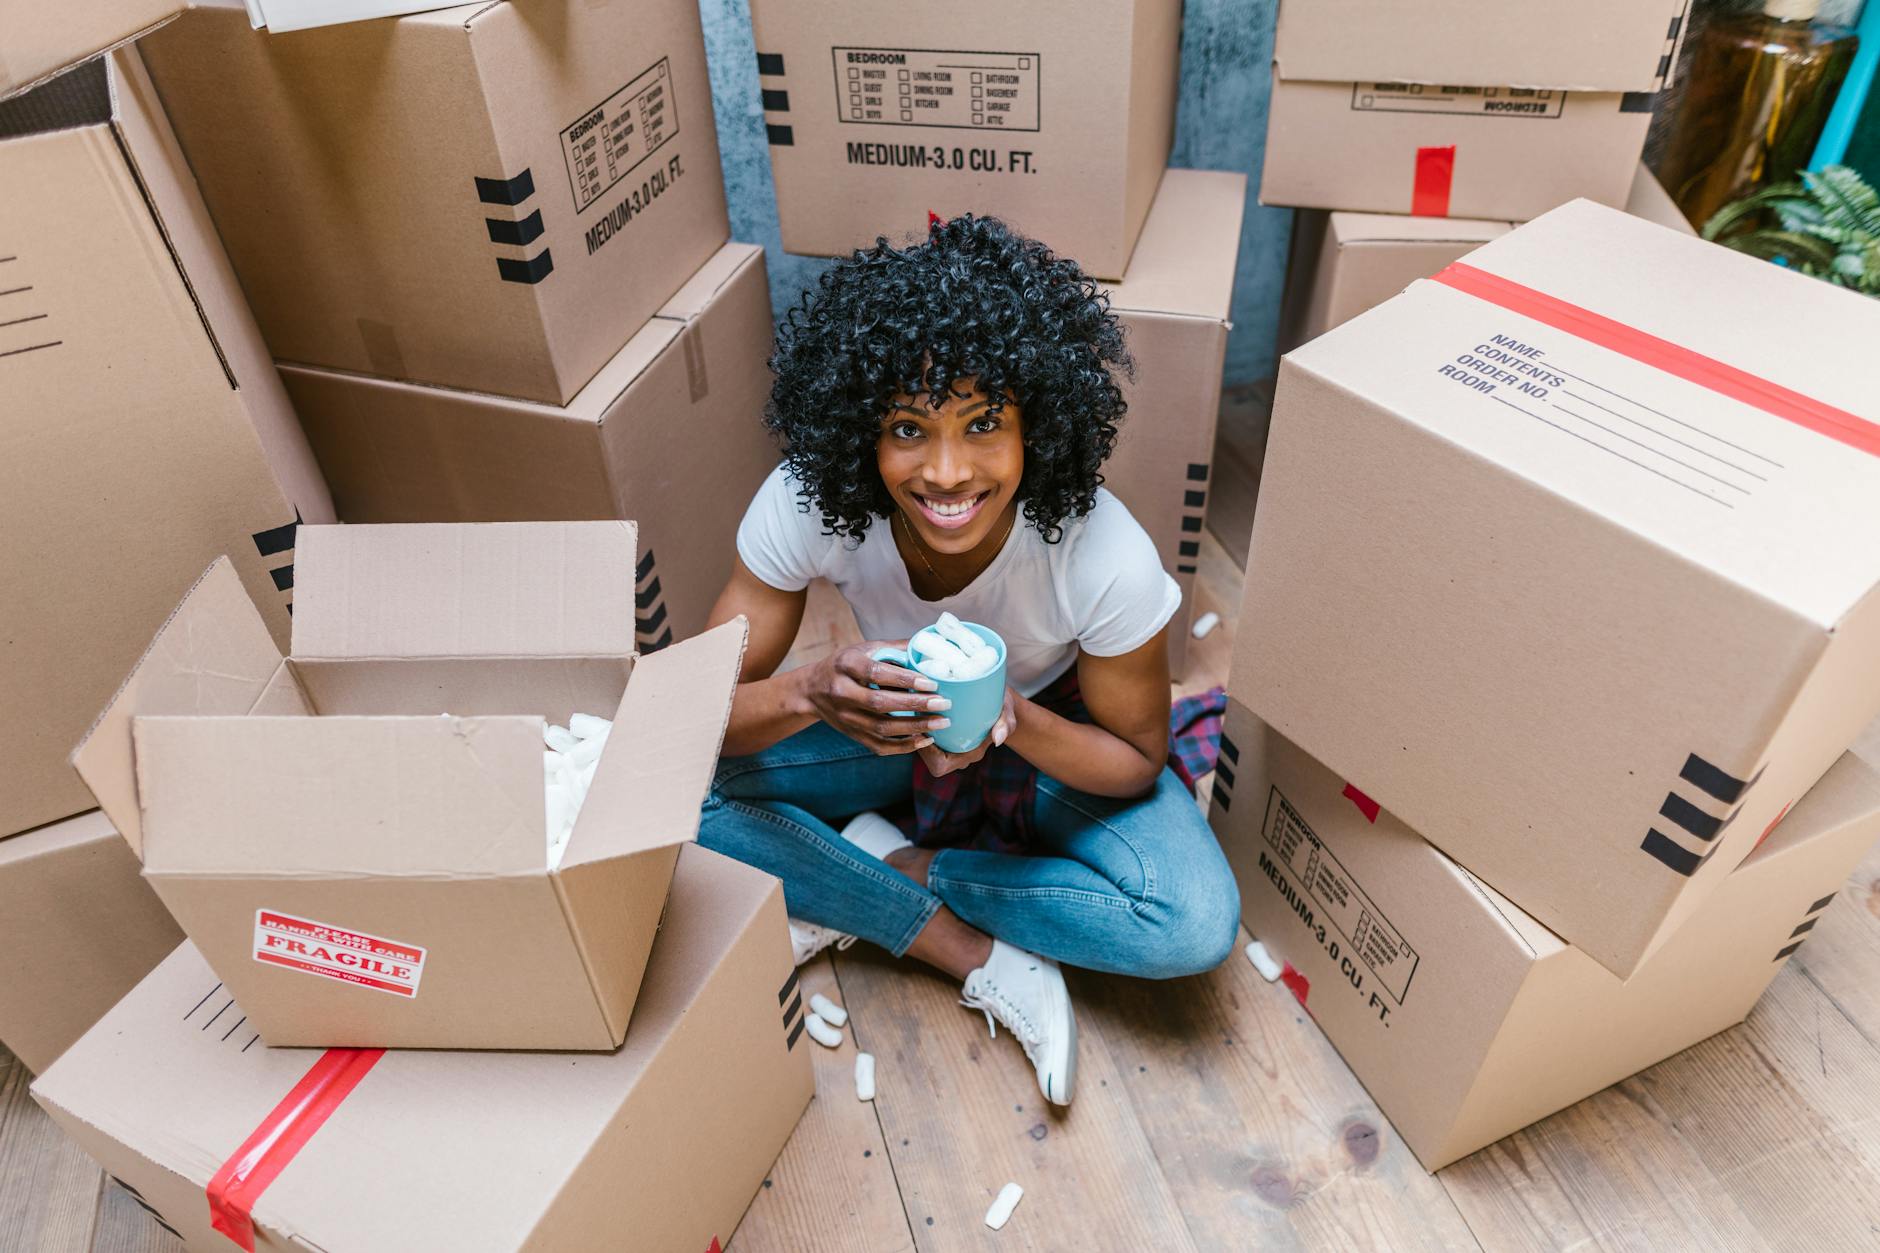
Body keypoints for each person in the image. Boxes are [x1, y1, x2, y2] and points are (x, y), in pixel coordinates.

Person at [700, 215, 1240, 1106]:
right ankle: (960, 946)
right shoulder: (807, 501)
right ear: (859, 433)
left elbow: (1138, 757)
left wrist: (1012, 721)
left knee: (1190, 923)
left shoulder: (1101, 554)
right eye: (908, 428)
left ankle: (905, 868)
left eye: (984, 423)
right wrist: (809, 690)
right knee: (669, 795)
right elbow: (692, 714)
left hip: (1041, 733)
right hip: (881, 726)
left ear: (1038, 425)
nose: (947, 473)